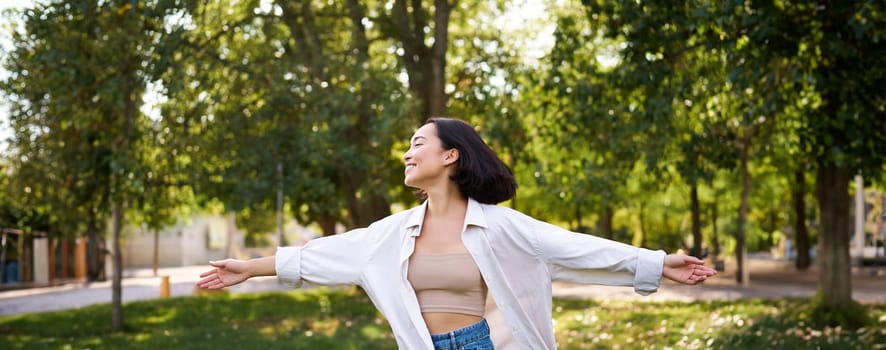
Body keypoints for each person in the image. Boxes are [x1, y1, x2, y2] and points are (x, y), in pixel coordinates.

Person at [197, 117, 717, 350]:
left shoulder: (502, 227)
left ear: (450, 155)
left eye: (417, 142)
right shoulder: (391, 233)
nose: (407, 151)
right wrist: (249, 268)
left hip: (476, 346)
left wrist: (655, 262)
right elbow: (323, 256)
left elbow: (577, 247)